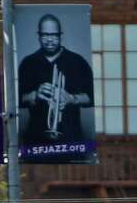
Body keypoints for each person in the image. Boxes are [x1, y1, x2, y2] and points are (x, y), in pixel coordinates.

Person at [18, 13, 94, 147]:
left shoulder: (77, 61)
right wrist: (35, 95)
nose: (49, 40)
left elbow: (91, 97)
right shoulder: (28, 63)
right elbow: (16, 100)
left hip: (72, 139)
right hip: (35, 141)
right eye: (45, 35)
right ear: (39, 36)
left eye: (54, 35)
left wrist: (71, 98)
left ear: (61, 35)